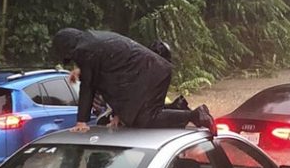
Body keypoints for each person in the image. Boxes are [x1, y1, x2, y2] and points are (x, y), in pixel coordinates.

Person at [52, 28, 216, 134]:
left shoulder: (84, 50)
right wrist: (118, 114)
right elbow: (110, 82)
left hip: (148, 72)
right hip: (150, 71)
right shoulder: (91, 42)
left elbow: (88, 86)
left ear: (67, 47)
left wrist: (82, 121)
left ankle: (194, 115)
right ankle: (185, 111)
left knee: (145, 119)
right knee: (140, 118)